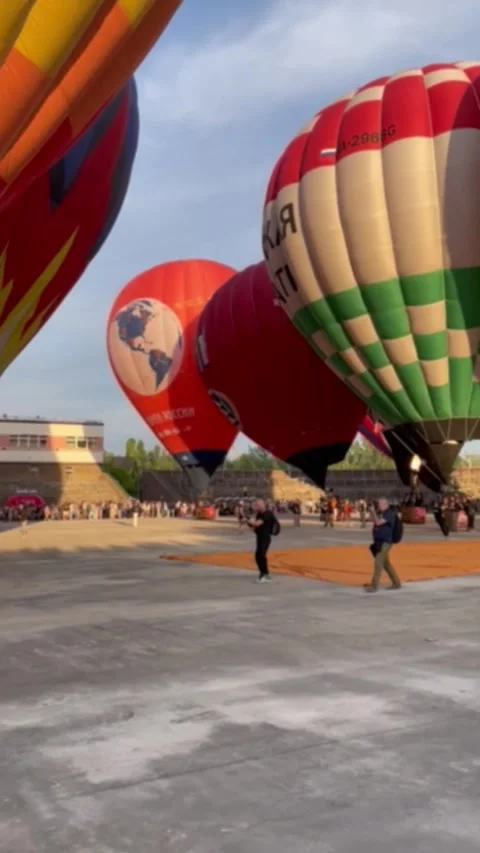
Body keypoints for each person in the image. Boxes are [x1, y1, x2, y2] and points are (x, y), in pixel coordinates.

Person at [365, 497, 402, 593]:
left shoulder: (389, 514)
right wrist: (372, 511)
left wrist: (373, 511)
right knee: (386, 564)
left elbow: (377, 522)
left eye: (380, 504)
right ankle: (397, 583)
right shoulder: (382, 513)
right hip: (380, 542)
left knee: (378, 563)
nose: (379, 506)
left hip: (386, 542)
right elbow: (371, 519)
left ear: (386, 505)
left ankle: (374, 586)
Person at [246, 499, 276, 582]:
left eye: (258, 505)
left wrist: (250, 521)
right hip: (260, 537)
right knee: (258, 556)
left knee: (261, 556)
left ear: (263, 505)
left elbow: (257, 523)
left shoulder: (267, 513)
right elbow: (254, 527)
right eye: (256, 505)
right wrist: (249, 523)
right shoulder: (259, 514)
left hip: (265, 538)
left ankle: (265, 574)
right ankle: (264, 573)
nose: (257, 507)